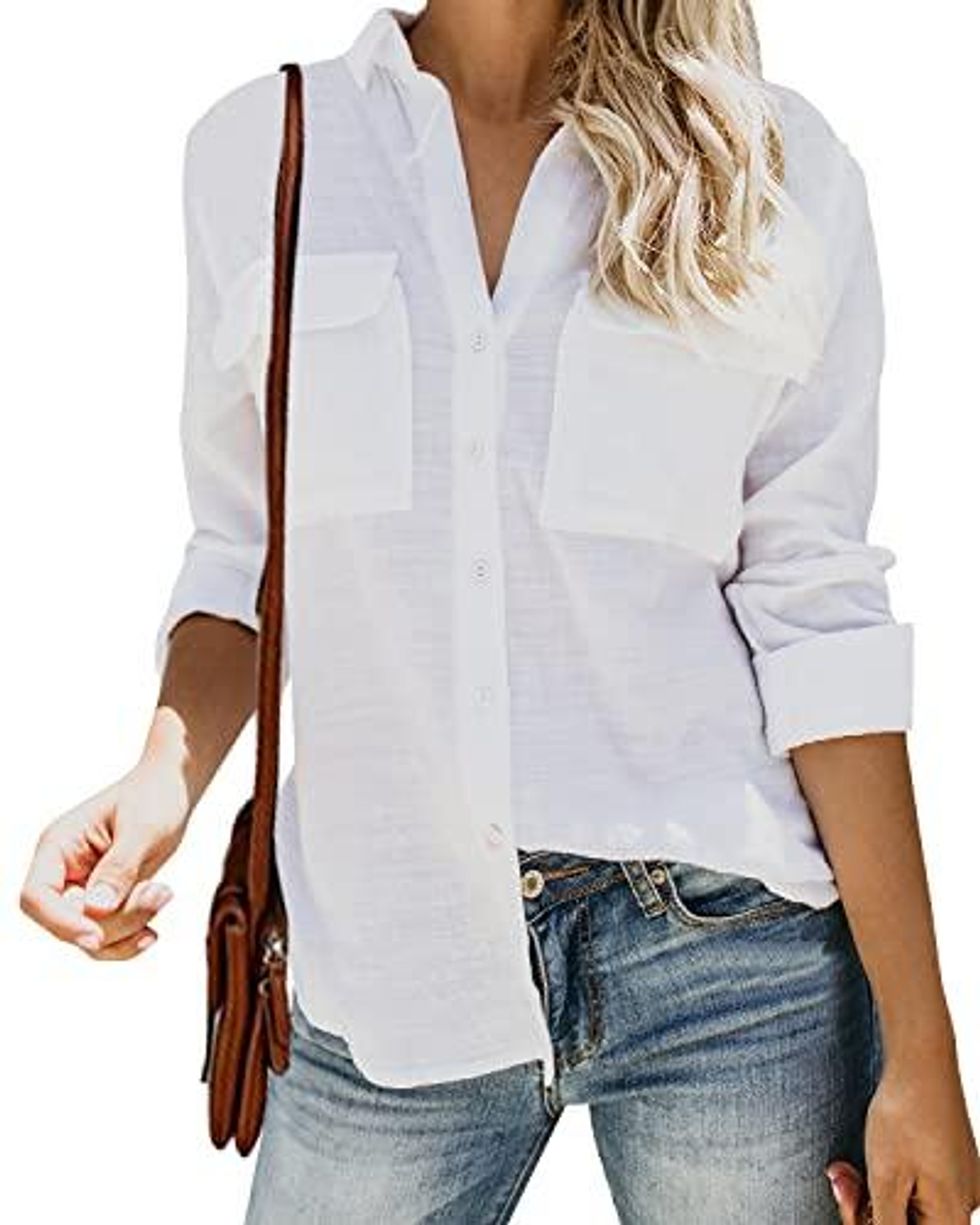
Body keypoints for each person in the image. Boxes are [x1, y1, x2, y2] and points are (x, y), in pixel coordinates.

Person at [20, 2, 980, 1222]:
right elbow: (246, 555)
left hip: (726, 958)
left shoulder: (773, 163)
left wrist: (922, 1049)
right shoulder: (261, 151)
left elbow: (817, 610)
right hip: (390, 942)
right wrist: (162, 777)